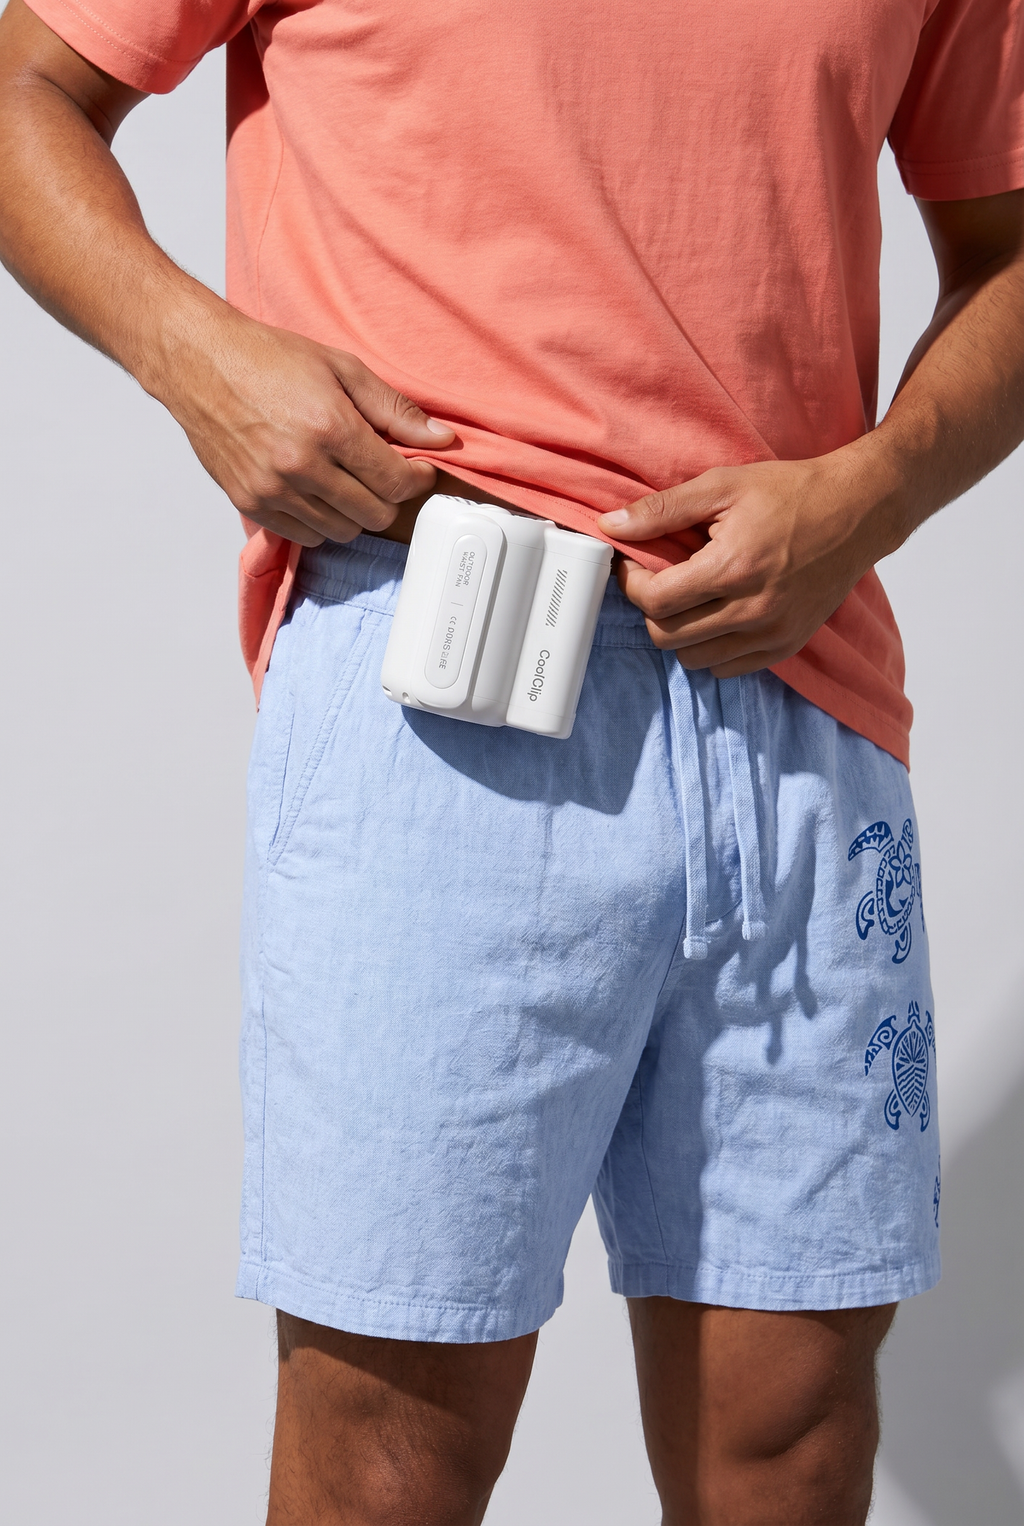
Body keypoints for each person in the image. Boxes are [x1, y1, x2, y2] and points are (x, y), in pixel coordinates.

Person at [1, 0, 1022, 1519]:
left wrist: (867, 498)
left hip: (801, 694)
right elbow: (24, 86)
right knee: (388, 1456)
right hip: (444, 698)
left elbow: (1007, 248)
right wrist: (195, 354)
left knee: (795, 1442)